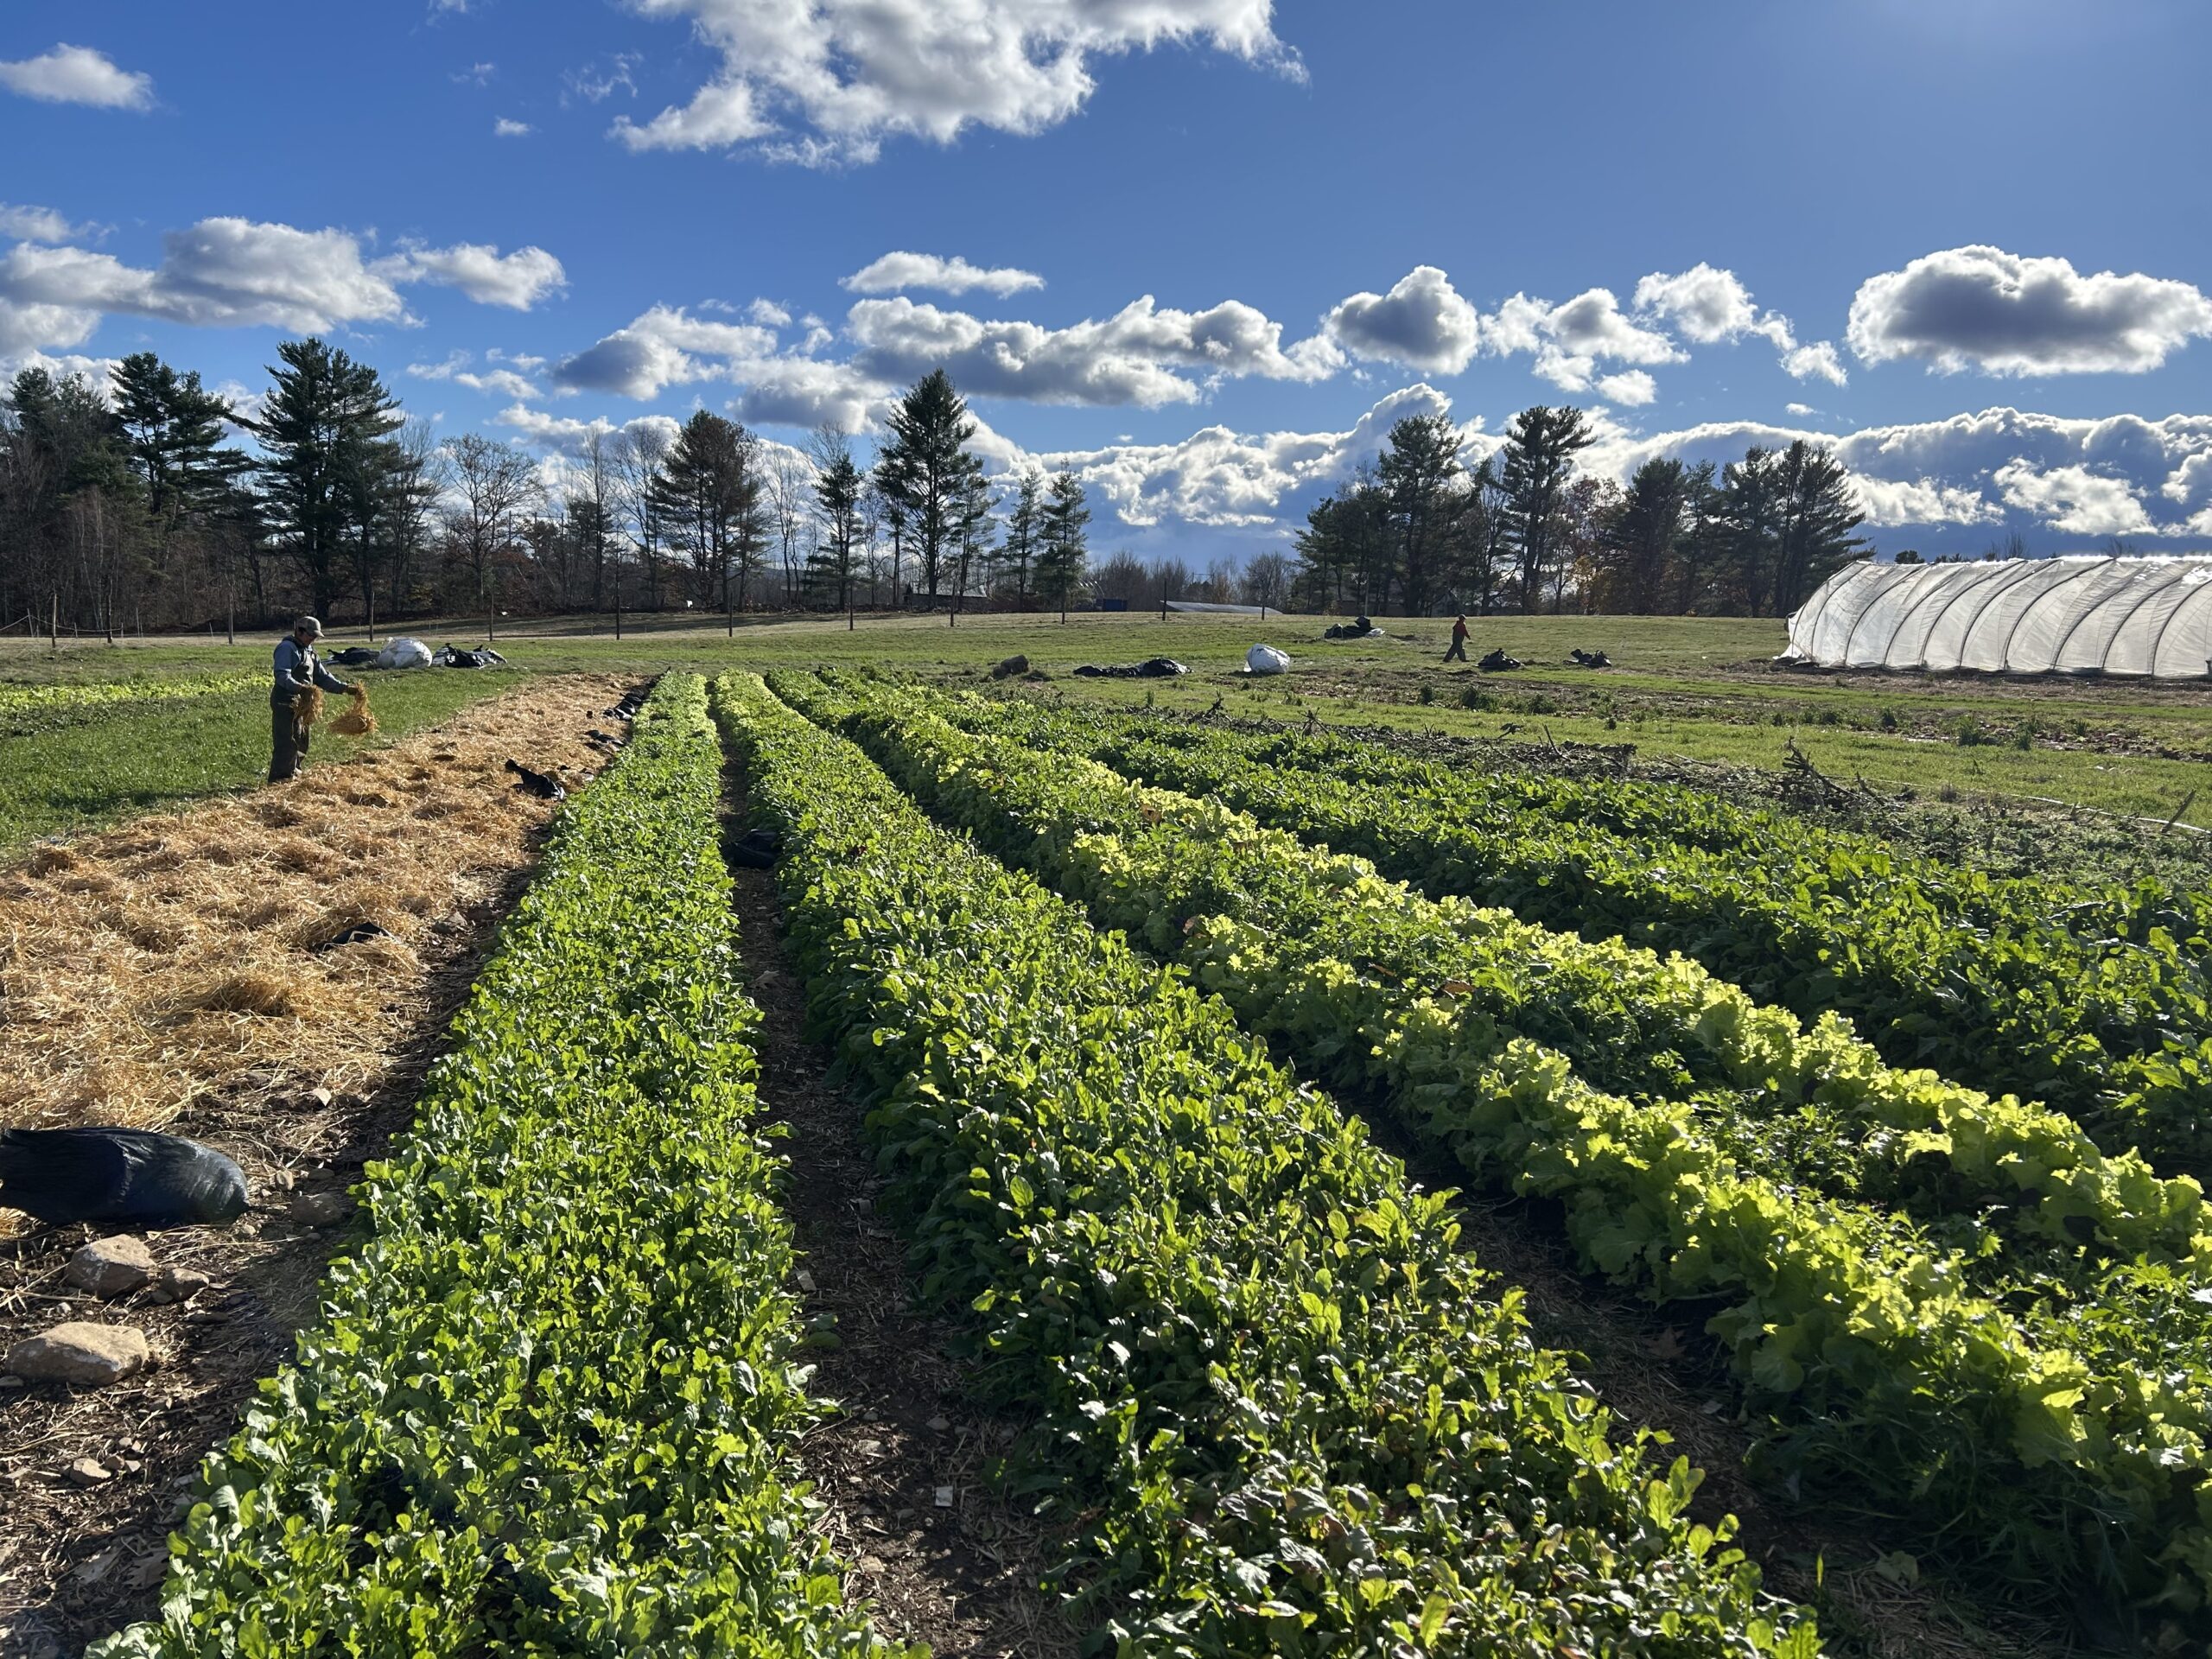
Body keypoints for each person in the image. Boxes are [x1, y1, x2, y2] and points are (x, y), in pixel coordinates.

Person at [269, 615, 354, 782]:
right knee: (287, 742)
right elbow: (281, 675)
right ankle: (280, 780)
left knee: (302, 741)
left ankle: (295, 773)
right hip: (286, 701)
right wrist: (301, 688)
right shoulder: (287, 648)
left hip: (305, 703)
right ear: (299, 631)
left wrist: (345, 688)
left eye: (315, 636)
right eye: (310, 635)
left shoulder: (309, 652)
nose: (313, 639)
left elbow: (322, 678)